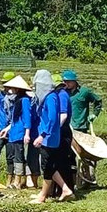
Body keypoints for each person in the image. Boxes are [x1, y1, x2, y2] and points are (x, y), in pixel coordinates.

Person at [30, 74, 74, 204]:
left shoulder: (50, 98)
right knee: (50, 166)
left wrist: (42, 135)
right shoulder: (51, 97)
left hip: (49, 138)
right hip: (49, 137)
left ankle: (43, 196)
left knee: (47, 166)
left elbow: (53, 118)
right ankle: (64, 189)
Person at [67, 72, 104, 186]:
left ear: (74, 81)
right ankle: (73, 181)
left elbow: (98, 101)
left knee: (84, 156)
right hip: (68, 128)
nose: (66, 83)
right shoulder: (63, 93)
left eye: (68, 81)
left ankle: (88, 179)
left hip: (81, 128)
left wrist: (94, 114)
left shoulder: (85, 92)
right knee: (70, 156)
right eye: (65, 81)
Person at [0, 76, 33, 190]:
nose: (9, 89)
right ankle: (18, 180)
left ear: (17, 89)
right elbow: (14, 119)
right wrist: (7, 129)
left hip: (19, 132)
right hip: (14, 132)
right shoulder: (17, 100)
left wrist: (27, 133)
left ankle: (18, 181)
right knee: (15, 156)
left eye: (12, 87)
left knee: (19, 156)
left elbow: (27, 117)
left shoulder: (24, 100)